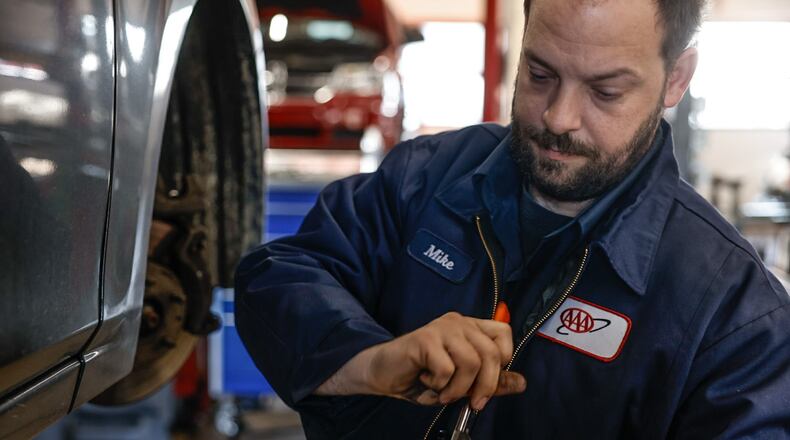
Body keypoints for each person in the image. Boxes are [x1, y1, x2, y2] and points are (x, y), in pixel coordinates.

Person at [235, 0, 790, 437]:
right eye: (540, 74)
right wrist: (370, 359)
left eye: (605, 90)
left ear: (676, 77)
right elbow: (277, 275)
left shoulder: (734, 314)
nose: (558, 117)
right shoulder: (424, 177)